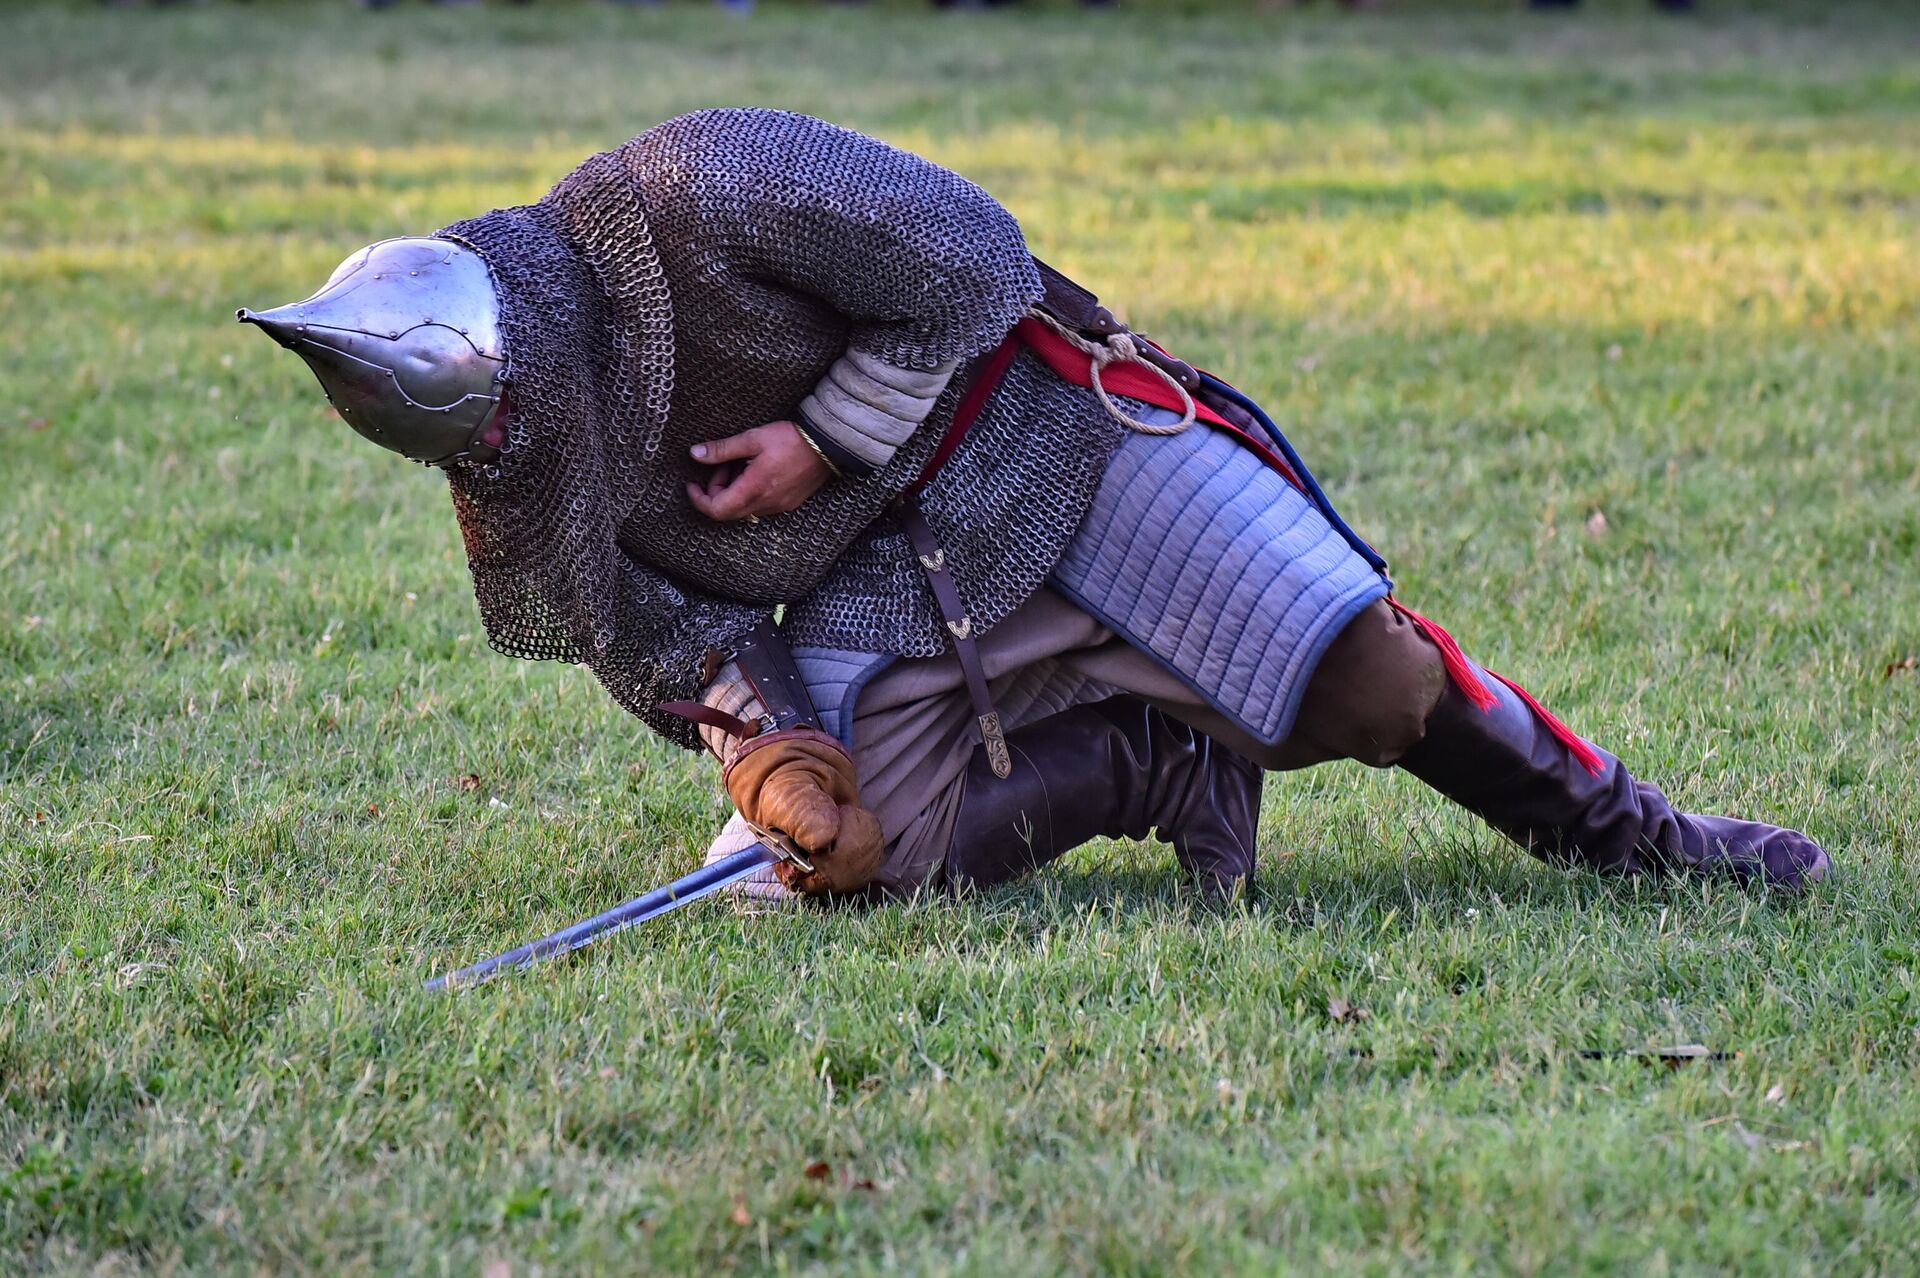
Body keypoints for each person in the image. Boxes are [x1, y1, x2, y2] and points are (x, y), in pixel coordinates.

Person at [238, 108, 1827, 907]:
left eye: (514, 416)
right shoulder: (519, 459)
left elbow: (974, 262)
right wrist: (777, 759)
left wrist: (816, 434)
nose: (518, 449)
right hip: (886, 580)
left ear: (511, 320)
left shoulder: (694, 191)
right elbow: (678, 634)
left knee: (1371, 679)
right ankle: (1157, 762)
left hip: (1050, 441)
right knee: (866, 860)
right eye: (489, 443)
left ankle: (1644, 837)